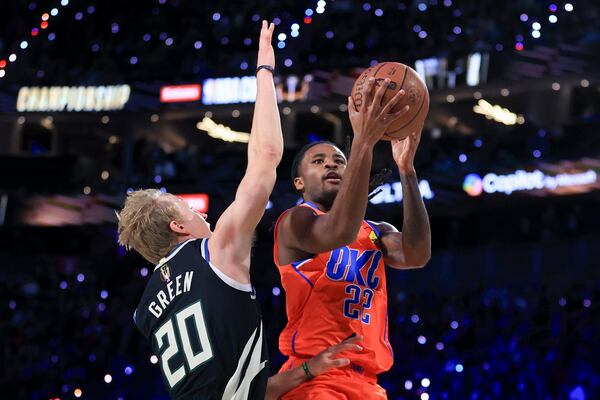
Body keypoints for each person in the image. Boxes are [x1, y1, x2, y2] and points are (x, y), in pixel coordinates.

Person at [117, 21, 362, 400]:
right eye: (191, 211)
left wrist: (310, 369)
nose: (206, 217)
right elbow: (265, 157)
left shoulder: (147, 310)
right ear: (179, 226)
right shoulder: (213, 253)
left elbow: (243, 391)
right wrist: (265, 73)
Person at [273, 78, 432, 399]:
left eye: (339, 161)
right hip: (315, 377)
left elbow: (417, 255)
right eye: (318, 161)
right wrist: (363, 142)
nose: (331, 163)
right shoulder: (296, 220)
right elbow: (337, 232)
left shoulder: (376, 231)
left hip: (368, 384)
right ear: (299, 183)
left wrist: (407, 172)